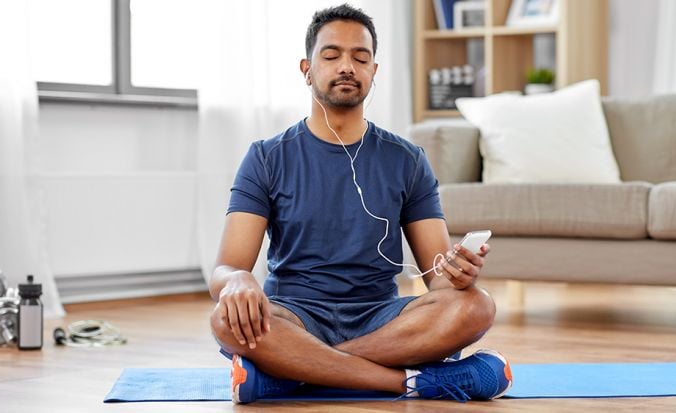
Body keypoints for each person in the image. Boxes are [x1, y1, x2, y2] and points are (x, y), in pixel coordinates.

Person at [209, 3, 512, 404]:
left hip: (381, 320)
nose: (346, 66)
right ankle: (413, 382)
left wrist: (457, 274)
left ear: (373, 71)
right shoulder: (266, 156)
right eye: (331, 56)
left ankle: (293, 375)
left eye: (360, 57)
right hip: (295, 316)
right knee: (225, 320)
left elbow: (436, 277)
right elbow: (226, 267)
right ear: (307, 69)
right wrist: (237, 280)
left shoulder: (406, 159)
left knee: (476, 306)